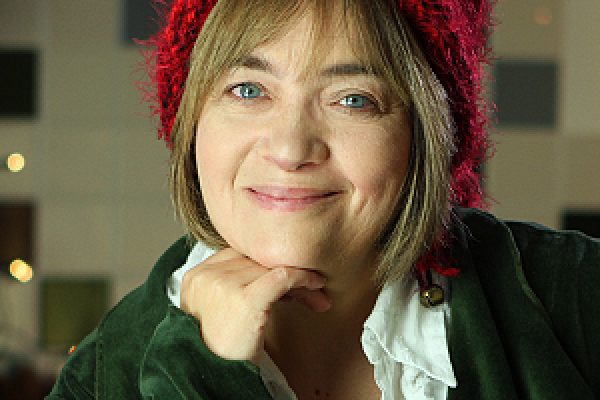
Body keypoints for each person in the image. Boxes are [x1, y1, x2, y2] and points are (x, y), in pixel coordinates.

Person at [47, 0, 600, 399]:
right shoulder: (99, 381)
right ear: (192, 123)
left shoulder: (573, 298)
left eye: (353, 99)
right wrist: (203, 368)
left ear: (425, 136)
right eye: (248, 90)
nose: (290, 149)